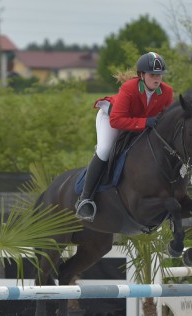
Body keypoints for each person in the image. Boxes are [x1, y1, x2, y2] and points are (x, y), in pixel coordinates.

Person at [75, 51, 174, 221]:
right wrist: (144, 123)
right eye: (152, 75)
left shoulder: (166, 92)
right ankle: (85, 199)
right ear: (141, 75)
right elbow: (117, 120)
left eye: (160, 75)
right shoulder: (129, 88)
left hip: (138, 122)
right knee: (105, 150)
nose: (157, 79)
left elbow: (168, 119)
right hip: (111, 118)